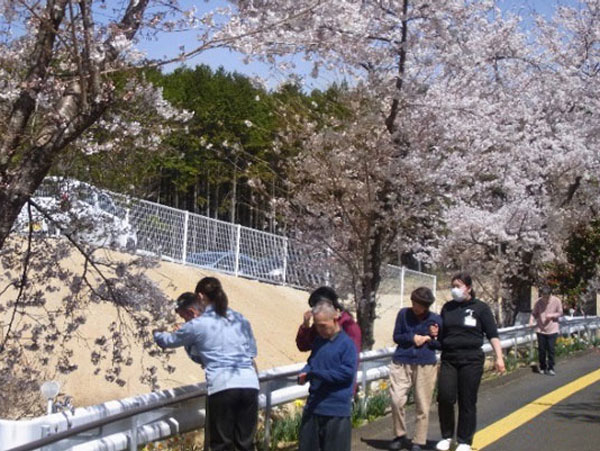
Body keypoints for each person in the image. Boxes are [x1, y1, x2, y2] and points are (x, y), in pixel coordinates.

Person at [154, 277, 259, 451]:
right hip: (249, 384)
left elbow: (169, 341)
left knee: (221, 444)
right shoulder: (240, 318)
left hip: (223, 386)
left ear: (201, 297)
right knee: (245, 444)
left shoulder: (198, 324)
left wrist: (156, 334)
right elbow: (252, 352)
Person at [434, 273, 505, 451]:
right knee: (445, 397)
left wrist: (499, 357)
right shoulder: (447, 308)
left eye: (458, 286)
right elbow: (442, 335)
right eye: (453, 286)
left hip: (471, 360)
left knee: (467, 399)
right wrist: (435, 333)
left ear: (468, 288)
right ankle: (446, 436)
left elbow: (492, 335)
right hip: (449, 358)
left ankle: (464, 440)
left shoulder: (481, 308)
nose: (454, 289)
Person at [297, 301, 358, 451]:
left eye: (323, 325)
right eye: (317, 325)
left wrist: (316, 373)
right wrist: (305, 372)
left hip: (336, 411)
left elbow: (346, 374)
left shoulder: (347, 344)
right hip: (313, 407)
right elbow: (312, 363)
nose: (319, 329)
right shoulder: (318, 342)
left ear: (335, 320)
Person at [388, 287, 443, 451]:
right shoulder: (403, 314)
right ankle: (400, 435)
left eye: (418, 304)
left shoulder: (436, 319)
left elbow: (440, 344)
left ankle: (419, 440)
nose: (414, 306)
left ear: (426, 305)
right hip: (402, 361)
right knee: (396, 399)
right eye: (413, 302)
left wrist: (431, 338)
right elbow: (397, 336)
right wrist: (413, 338)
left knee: (422, 403)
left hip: (425, 363)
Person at [296, 286, 362, 354]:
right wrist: (305, 326)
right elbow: (303, 346)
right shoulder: (320, 324)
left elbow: (351, 357)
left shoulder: (348, 325)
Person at [529, 286, 563, 376]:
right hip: (541, 329)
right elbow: (534, 313)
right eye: (543, 297)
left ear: (550, 295)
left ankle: (551, 367)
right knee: (541, 350)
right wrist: (531, 320)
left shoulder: (556, 301)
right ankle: (543, 367)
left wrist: (552, 315)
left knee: (551, 349)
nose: (545, 299)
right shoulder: (538, 302)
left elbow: (560, 312)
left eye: (547, 297)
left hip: (552, 329)